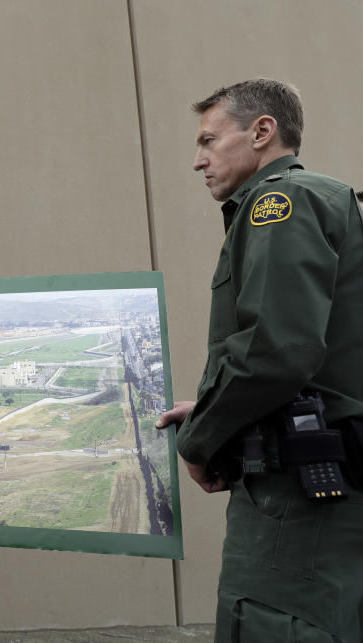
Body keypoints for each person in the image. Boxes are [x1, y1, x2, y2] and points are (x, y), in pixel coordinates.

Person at [157, 79, 363, 641]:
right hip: (323, 490)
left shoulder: (282, 203)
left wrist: (199, 439)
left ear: (262, 131)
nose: (198, 161)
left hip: (298, 504)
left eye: (208, 141)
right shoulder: (323, 201)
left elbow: (277, 351)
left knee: (275, 625)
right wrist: (211, 406)